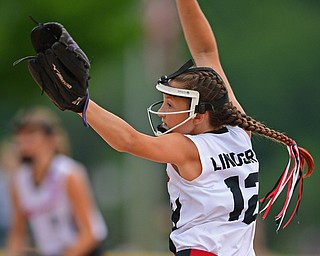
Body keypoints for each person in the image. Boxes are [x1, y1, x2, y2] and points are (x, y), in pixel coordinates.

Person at [21, 1, 314, 256]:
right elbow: (205, 51)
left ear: (198, 115)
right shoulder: (239, 132)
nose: (162, 111)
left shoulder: (188, 148)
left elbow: (128, 141)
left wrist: (82, 104)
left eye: (171, 106)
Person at [6, 107, 107, 256]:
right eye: (22, 136)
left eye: (32, 135)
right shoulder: (20, 180)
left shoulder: (68, 173)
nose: (25, 141)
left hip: (81, 251)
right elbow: (18, 232)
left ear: (51, 139)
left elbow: (91, 234)